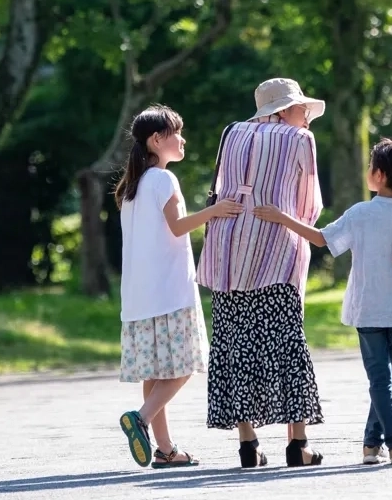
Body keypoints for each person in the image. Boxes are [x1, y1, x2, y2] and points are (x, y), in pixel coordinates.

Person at [254, 138, 392, 466]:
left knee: (381, 379)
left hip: (369, 309)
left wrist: (282, 218)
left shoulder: (361, 213)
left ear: (379, 175)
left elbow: (322, 238)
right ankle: (371, 445)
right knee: (385, 378)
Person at [195, 78, 326, 468]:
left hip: (227, 251)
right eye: (303, 109)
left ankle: (248, 444)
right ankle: (298, 444)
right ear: (285, 110)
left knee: (234, 344)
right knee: (286, 343)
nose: (307, 117)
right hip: (275, 248)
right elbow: (309, 203)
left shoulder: (231, 132)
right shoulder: (299, 139)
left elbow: (221, 186)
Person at [114, 105, 244, 469]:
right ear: (157, 140)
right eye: (177, 133)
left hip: (138, 297)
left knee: (155, 374)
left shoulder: (131, 187)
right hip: (170, 290)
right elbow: (177, 226)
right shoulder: (164, 179)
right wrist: (215, 211)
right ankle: (138, 419)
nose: (182, 139)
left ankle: (166, 450)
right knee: (186, 364)